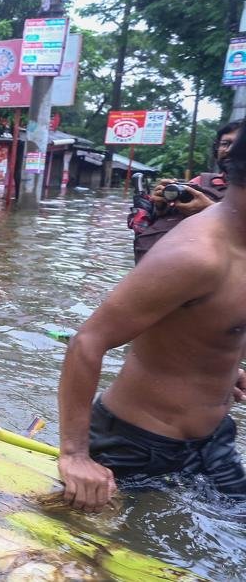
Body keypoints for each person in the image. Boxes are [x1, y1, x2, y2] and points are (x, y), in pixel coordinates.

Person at [57, 131, 246, 512]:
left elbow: (216, 322)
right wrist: (75, 455)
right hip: (136, 446)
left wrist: (228, 365)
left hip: (214, 439)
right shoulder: (197, 255)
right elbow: (88, 341)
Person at [130, 120, 240, 263]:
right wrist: (160, 206)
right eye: (225, 144)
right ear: (216, 149)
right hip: (157, 266)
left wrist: (209, 209)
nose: (229, 150)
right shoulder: (201, 181)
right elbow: (164, 219)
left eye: (238, 145)